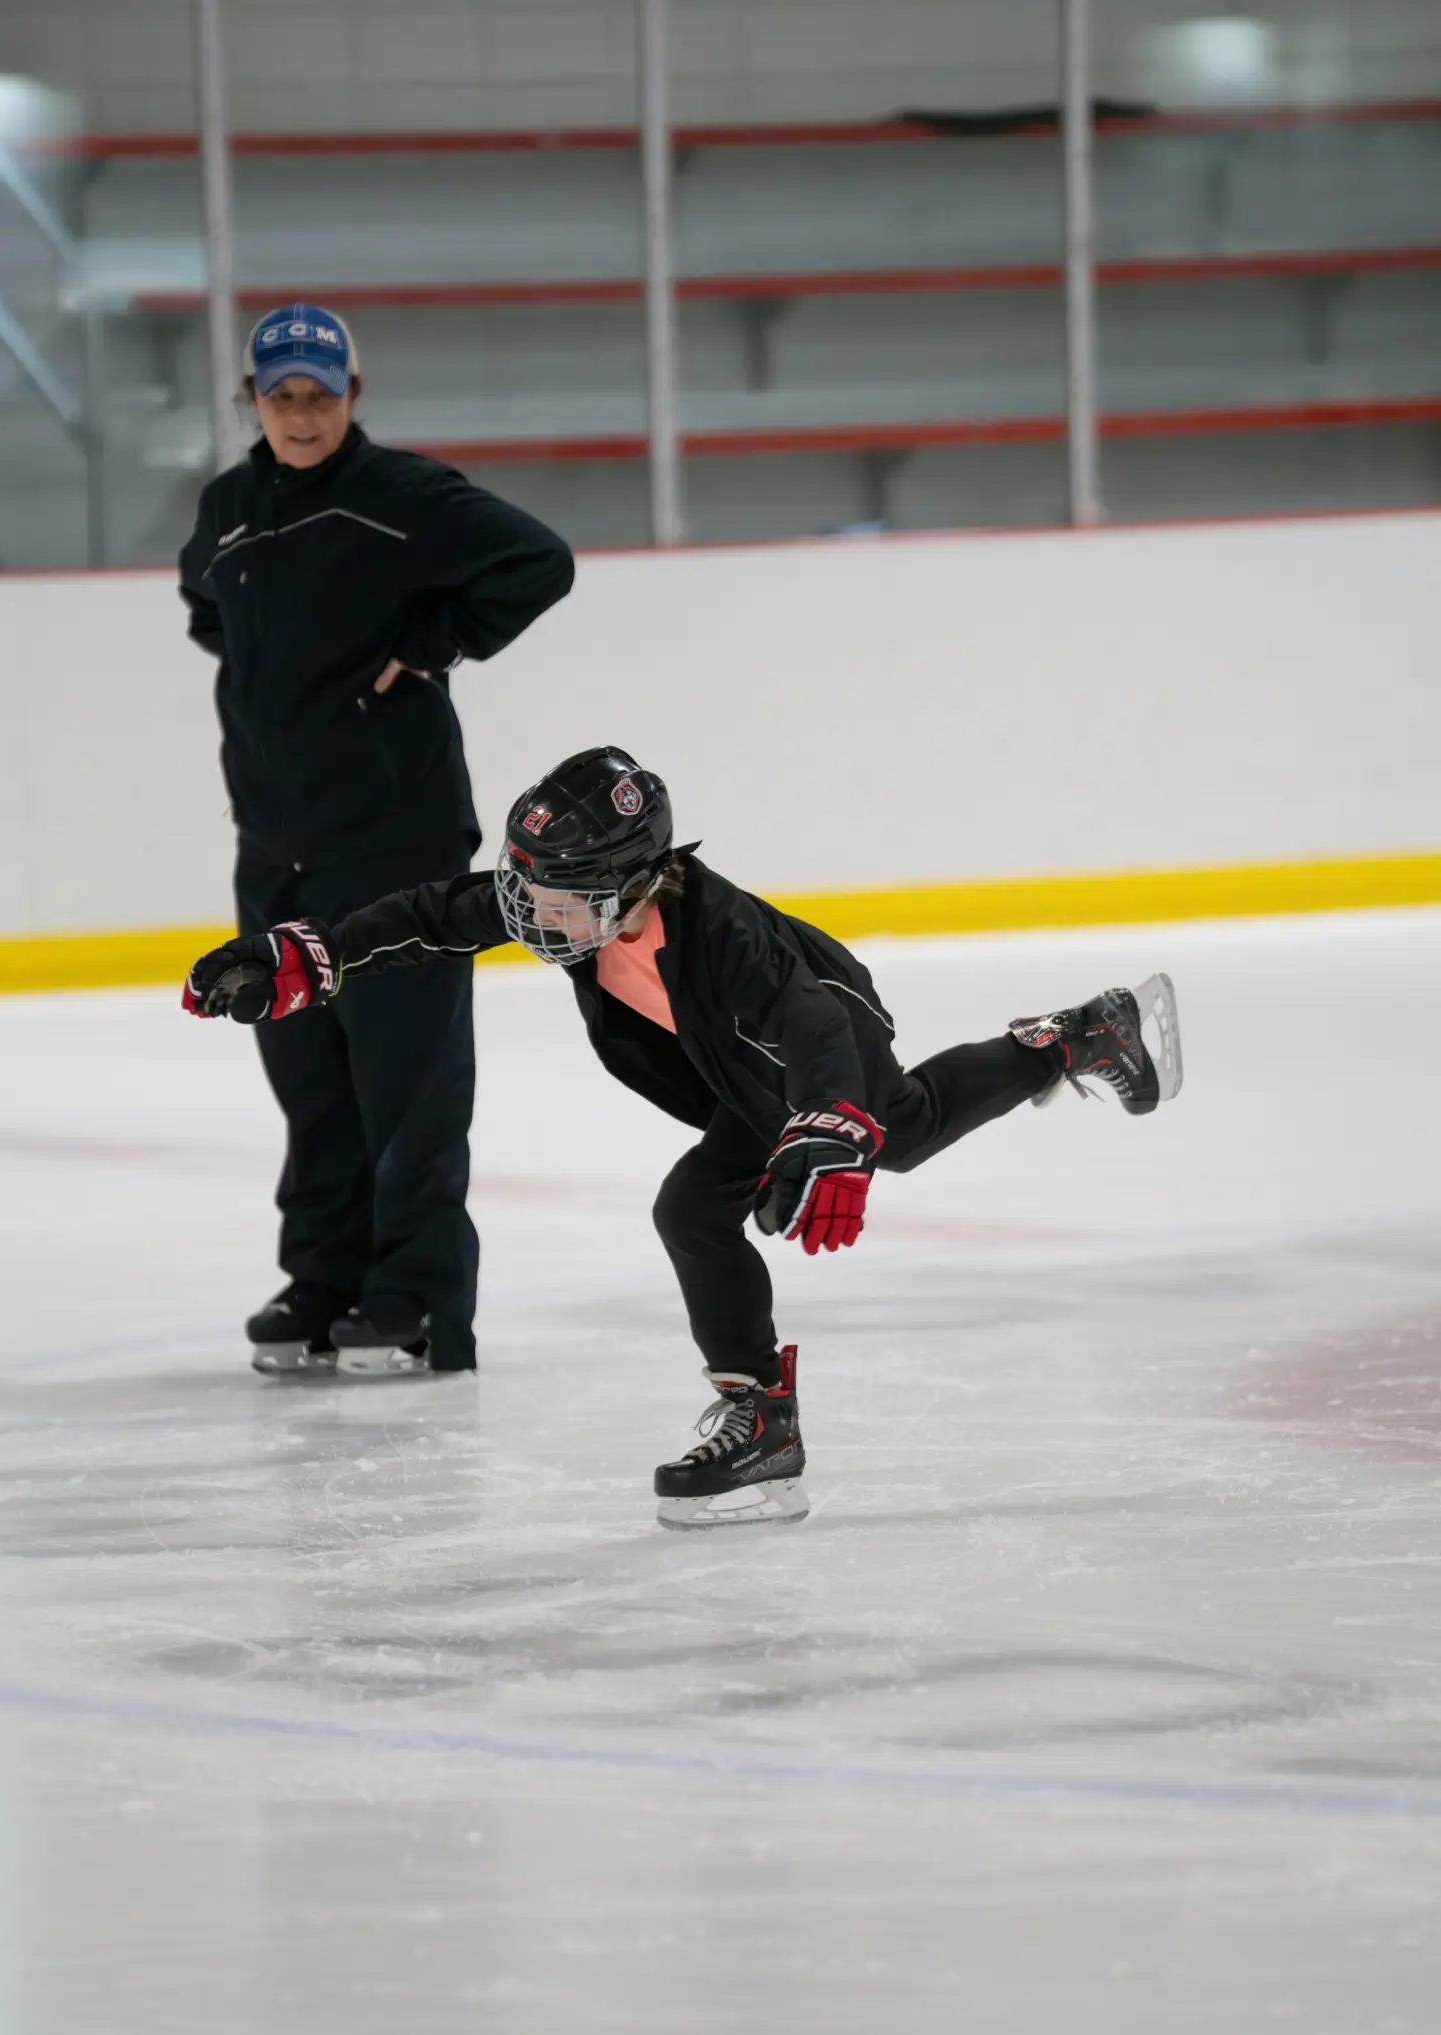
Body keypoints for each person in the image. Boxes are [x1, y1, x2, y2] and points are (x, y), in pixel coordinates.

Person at [181, 747, 1184, 1525]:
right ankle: (1075, 1038)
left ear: (631, 883)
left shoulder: (726, 941)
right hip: (739, 1073)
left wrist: (831, 1120)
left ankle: (1071, 1042)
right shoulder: (577, 902)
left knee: (875, 1140)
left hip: (820, 1037)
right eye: (525, 888)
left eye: (553, 897)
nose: (529, 915)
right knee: (730, 1198)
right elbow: (437, 913)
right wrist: (311, 956)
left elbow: (812, 1024)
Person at [178, 304, 574, 1379]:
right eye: (282, 397)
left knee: (407, 1079)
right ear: (253, 402)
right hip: (276, 844)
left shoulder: (402, 496)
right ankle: (325, 1278)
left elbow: (539, 561)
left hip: (397, 841)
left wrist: (436, 640)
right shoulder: (228, 509)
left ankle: (417, 1297)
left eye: (321, 395)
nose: (303, 415)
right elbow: (207, 605)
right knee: (308, 1074)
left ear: (353, 396)